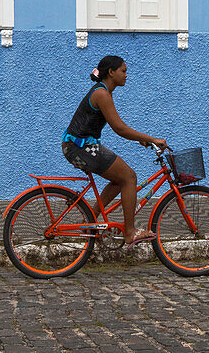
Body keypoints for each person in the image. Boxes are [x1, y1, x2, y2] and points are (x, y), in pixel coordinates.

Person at [62, 55, 167, 248]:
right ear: (111, 72)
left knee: (120, 179)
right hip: (80, 147)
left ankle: (91, 219)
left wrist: (142, 139)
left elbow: (120, 128)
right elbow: (119, 128)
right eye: (123, 71)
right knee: (129, 177)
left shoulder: (104, 92)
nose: (126, 75)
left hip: (80, 145)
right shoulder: (101, 93)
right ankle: (130, 233)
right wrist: (151, 138)